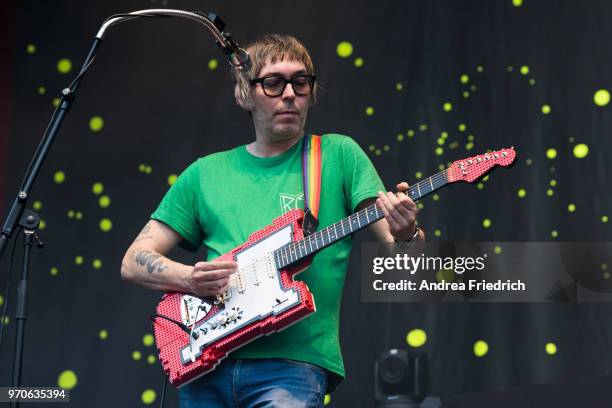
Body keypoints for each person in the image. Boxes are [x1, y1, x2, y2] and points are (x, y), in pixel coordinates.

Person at [121, 34, 424, 407]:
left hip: (292, 367)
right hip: (208, 363)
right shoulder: (204, 174)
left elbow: (404, 261)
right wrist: (189, 278)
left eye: (301, 82)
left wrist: (407, 232)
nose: (289, 94)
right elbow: (134, 261)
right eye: (273, 82)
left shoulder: (339, 155)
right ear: (245, 93)